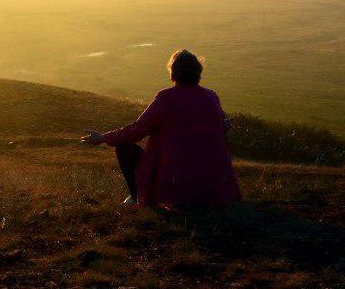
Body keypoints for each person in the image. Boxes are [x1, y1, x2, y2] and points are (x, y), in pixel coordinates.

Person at [82, 50, 241, 207]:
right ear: (198, 73)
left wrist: (103, 138)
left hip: (174, 178)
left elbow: (137, 130)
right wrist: (223, 126)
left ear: (173, 74)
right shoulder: (211, 97)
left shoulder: (166, 98)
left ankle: (136, 197)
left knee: (124, 148)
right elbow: (209, 132)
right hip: (211, 184)